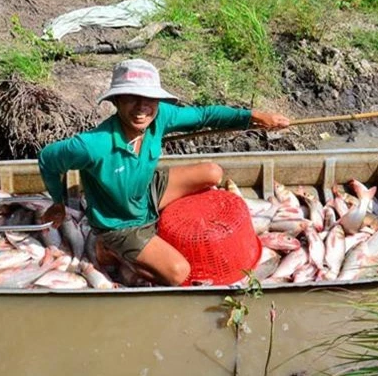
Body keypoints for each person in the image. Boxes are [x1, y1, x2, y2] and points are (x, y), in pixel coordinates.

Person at [38, 58, 289, 286]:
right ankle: (109, 247)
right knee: (178, 273)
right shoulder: (92, 145)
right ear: (116, 101)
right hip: (120, 224)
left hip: (146, 190)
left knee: (213, 172)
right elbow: (48, 158)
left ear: (158, 101)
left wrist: (253, 116)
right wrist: (58, 202)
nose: (141, 107)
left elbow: (205, 115)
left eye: (149, 99)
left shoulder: (161, 117)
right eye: (131, 98)